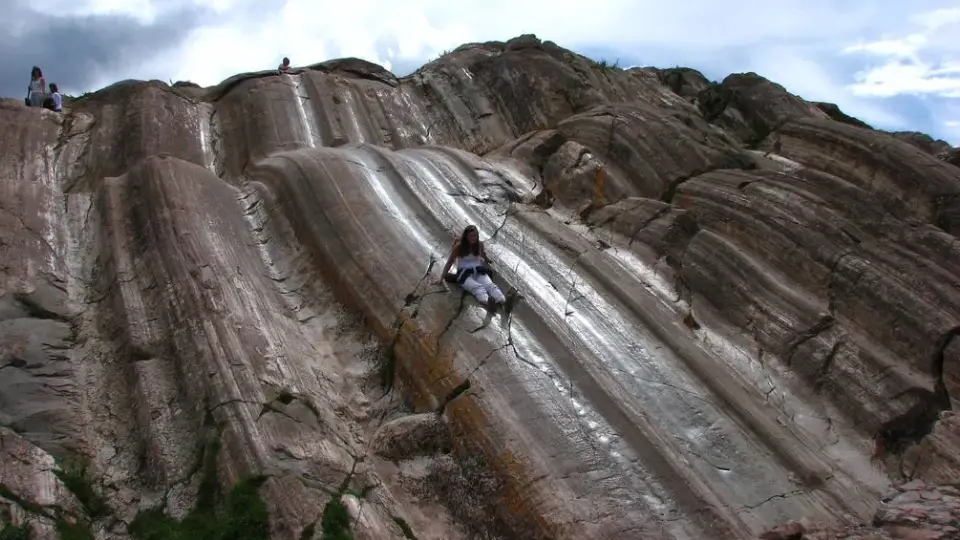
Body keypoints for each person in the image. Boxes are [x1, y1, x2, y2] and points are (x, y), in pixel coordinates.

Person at [439, 225, 506, 310]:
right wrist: (441, 278)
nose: (474, 238)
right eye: (471, 236)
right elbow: (449, 263)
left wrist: (487, 260)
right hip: (464, 274)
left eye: (475, 235)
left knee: (491, 286)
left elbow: (482, 254)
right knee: (478, 288)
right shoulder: (459, 247)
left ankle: (503, 301)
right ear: (466, 236)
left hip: (478, 271)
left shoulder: (479, 244)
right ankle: (488, 304)